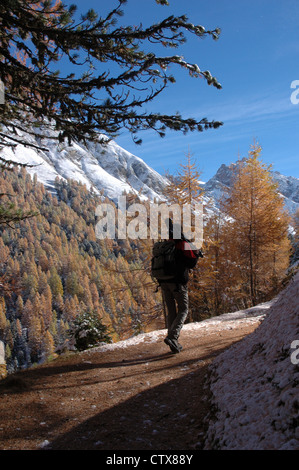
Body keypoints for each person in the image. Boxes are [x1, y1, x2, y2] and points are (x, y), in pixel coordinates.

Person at [159, 219, 202, 354]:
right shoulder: (182, 244)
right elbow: (191, 264)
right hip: (177, 282)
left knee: (172, 311)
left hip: (164, 282)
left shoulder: (165, 245)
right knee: (183, 309)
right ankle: (172, 336)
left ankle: (173, 340)